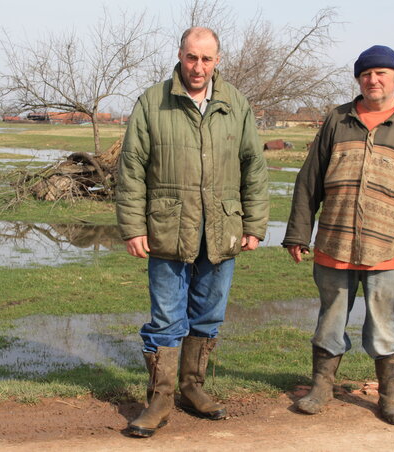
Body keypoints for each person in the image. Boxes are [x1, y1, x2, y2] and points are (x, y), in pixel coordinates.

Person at [116, 26, 269, 437]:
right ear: (180, 56)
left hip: (222, 228)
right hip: (168, 227)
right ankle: (161, 398)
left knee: (208, 313)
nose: (198, 66)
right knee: (167, 316)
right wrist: (133, 226)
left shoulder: (235, 103)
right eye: (191, 57)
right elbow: (131, 168)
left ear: (217, 60)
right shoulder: (153, 101)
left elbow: (253, 166)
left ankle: (192, 388)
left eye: (206, 59)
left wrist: (254, 224)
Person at [282, 45, 394, 425]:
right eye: (367, 74)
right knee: (330, 321)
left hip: (388, 248)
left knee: (385, 326)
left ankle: (389, 397)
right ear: (358, 79)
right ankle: (321, 387)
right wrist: (298, 234)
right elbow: (309, 182)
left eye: (382, 73)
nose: (374, 80)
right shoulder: (337, 120)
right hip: (334, 245)